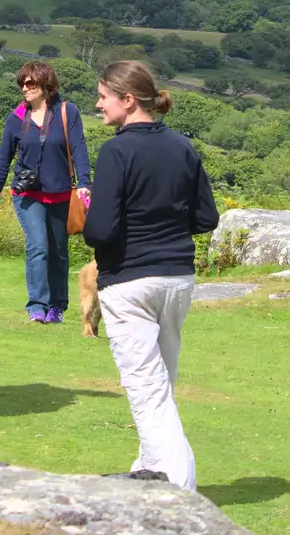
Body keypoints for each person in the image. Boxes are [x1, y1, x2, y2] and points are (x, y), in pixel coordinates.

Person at [81, 61, 219, 490]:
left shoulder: (116, 152)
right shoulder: (182, 146)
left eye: (104, 97)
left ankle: (180, 490)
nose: (98, 104)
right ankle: (147, 472)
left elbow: (100, 230)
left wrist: (93, 226)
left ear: (127, 100)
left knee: (146, 389)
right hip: (177, 278)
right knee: (161, 384)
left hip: (129, 281)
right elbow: (206, 217)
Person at [0, 62, 92, 324]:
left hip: (61, 194)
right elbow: (3, 159)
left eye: (30, 83)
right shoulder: (17, 118)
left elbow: (79, 148)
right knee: (38, 247)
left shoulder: (67, 112)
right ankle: (37, 306)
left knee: (59, 251)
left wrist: (86, 181)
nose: (24, 88)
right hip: (27, 196)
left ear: (45, 85)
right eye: (22, 83)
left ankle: (57, 307)